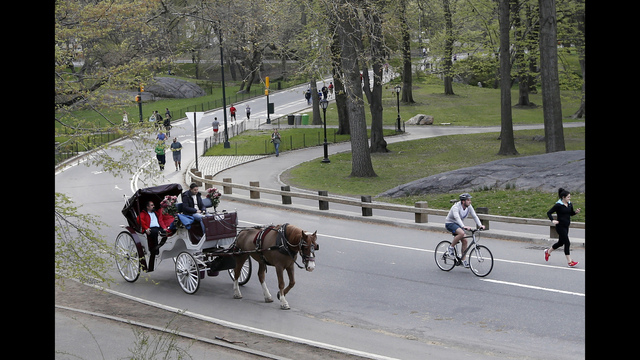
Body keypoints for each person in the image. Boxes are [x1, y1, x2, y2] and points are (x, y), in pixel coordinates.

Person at [444, 193, 485, 267]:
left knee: (465, 240)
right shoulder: (456, 207)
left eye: (470, 200)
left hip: (459, 224)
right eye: (468, 200)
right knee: (462, 233)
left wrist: (480, 225)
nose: (470, 201)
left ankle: (463, 260)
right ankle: (450, 248)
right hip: (450, 223)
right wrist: (464, 226)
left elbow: (474, 216)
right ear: (463, 201)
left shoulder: (469, 207)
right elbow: (457, 218)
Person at [544, 188, 581, 267]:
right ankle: (570, 261)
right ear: (563, 197)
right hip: (560, 226)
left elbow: (570, 213)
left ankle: (548, 251)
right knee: (567, 242)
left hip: (566, 226)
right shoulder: (558, 205)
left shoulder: (570, 204)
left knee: (561, 242)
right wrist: (552, 220)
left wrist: (575, 212)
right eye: (568, 197)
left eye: (569, 197)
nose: (569, 198)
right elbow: (549, 213)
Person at [137, 200, 170, 271]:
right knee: (154, 233)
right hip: (151, 228)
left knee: (167, 232)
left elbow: (162, 216)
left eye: (153, 205)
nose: (153, 206)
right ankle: (155, 250)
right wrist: (146, 228)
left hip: (158, 227)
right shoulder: (143, 214)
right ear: (147, 207)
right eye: (151, 205)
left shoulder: (156, 212)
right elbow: (139, 220)